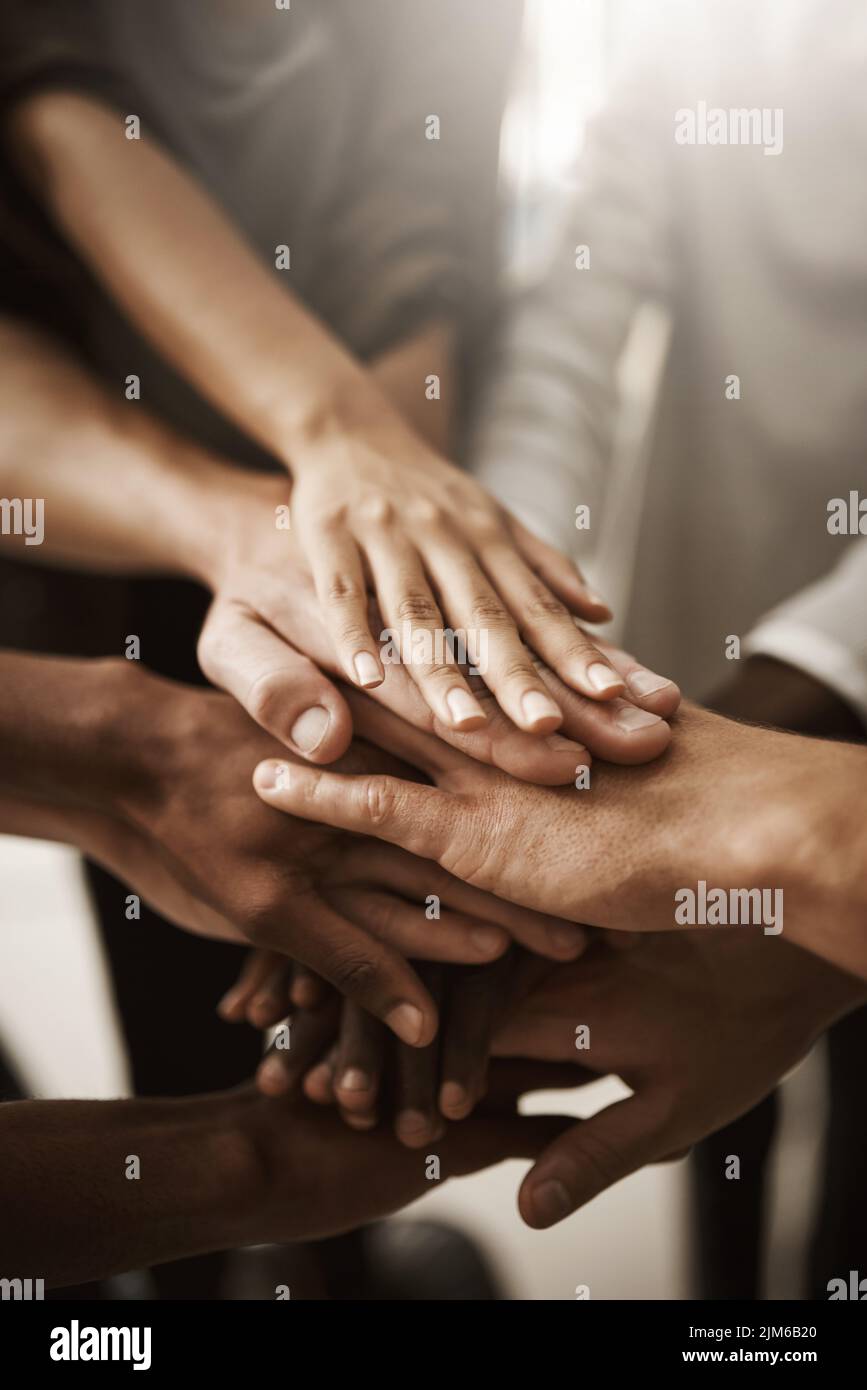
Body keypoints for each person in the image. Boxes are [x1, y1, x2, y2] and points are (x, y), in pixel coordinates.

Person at [469, 0, 867, 1294]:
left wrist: (803, 684)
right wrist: (504, 601)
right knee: (702, 1062)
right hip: (703, 652)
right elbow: (564, 343)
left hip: (801, 688)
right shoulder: (685, 46)